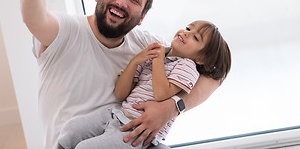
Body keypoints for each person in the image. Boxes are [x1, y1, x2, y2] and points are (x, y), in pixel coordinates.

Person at [20, 0, 222, 149]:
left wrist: (172, 108)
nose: (122, 2)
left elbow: (215, 76)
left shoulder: (149, 46)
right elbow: (36, 21)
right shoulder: (67, 31)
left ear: (141, 17)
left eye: (134, 0)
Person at [57, 20, 231, 148]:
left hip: (138, 132)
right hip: (117, 114)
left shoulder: (187, 66)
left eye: (195, 37)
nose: (185, 33)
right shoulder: (155, 55)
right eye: (188, 28)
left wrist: (157, 60)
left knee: (85, 148)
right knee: (71, 129)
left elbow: (162, 94)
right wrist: (134, 62)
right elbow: (120, 94)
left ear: (200, 58)